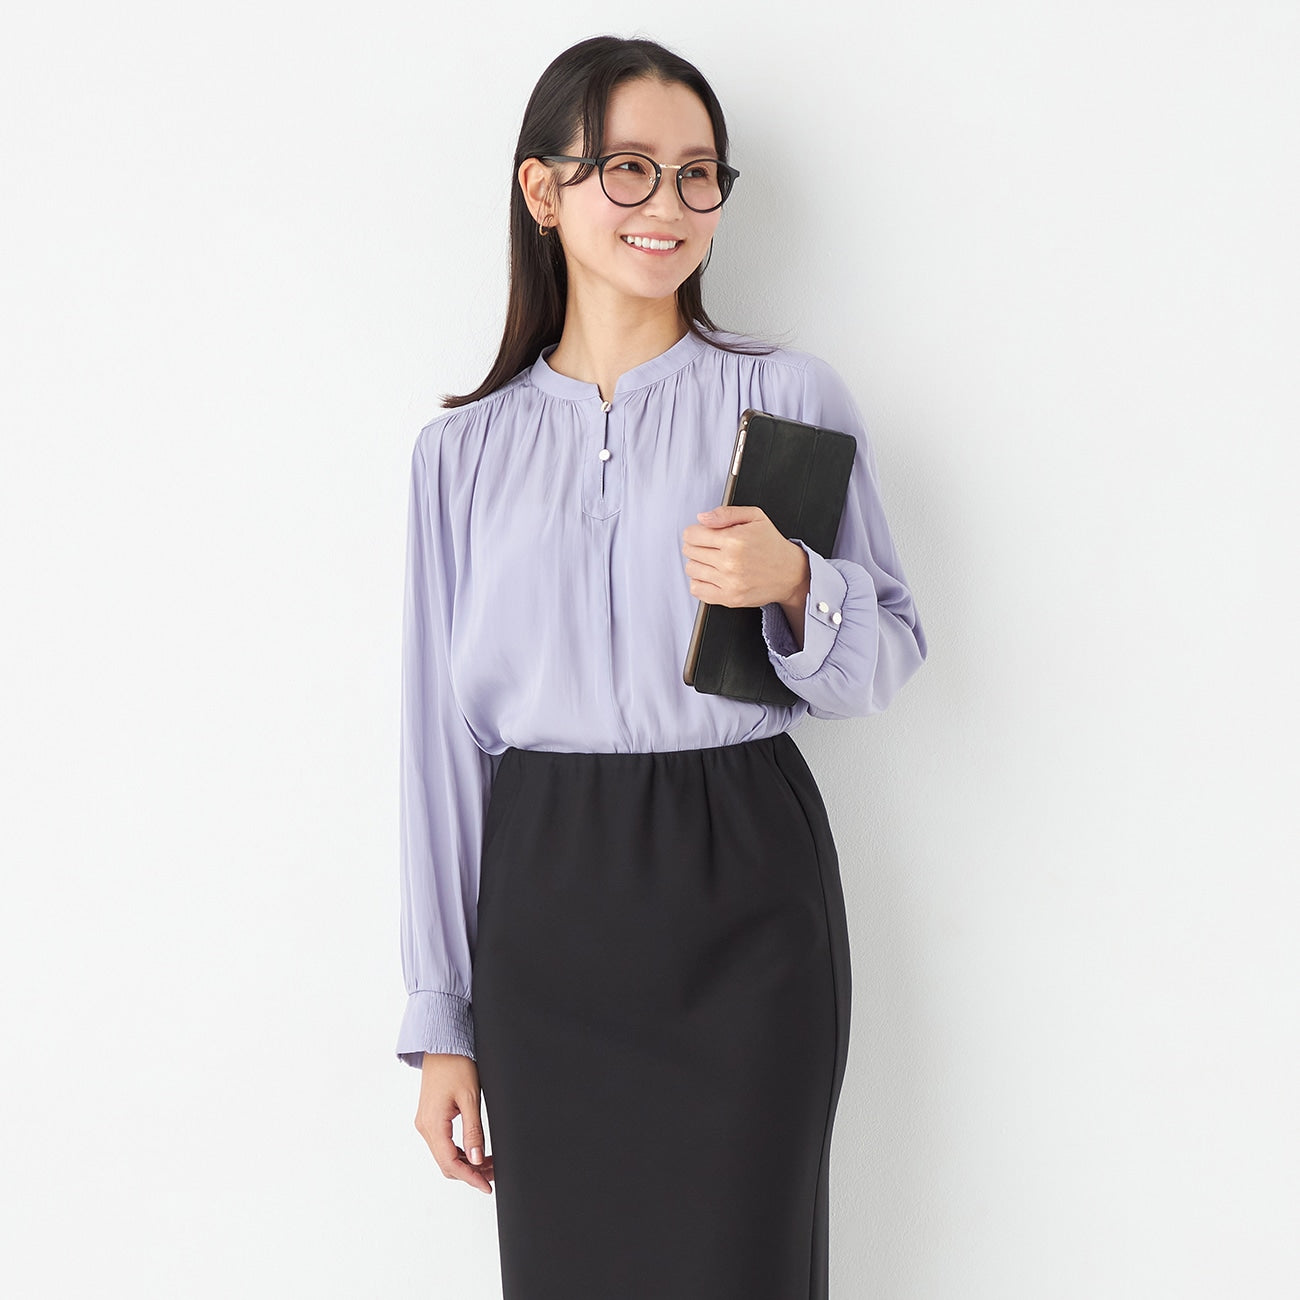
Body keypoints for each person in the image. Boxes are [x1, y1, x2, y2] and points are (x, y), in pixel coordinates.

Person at [395, 33, 927, 1300]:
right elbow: (436, 746)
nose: (669, 204)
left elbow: (888, 655)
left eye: (698, 174)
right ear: (543, 190)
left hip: (743, 881)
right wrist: (441, 1019)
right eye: (627, 168)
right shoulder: (459, 454)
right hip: (544, 901)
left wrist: (797, 582)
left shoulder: (786, 397)